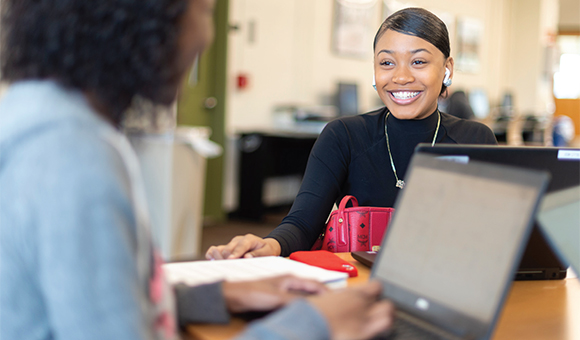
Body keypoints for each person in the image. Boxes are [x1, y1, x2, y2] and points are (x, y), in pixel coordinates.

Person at [0, 0, 393, 339]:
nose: (207, 35)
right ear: (146, 18)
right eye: (204, 10)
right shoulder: (73, 162)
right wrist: (314, 324)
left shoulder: (42, 121)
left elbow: (93, 301)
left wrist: (221, 294)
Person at [207, 7, 498, 260]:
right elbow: (302, 224)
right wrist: (268, 245)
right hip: (357, 290)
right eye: (386, 62)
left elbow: (493, 235)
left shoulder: (476, 139)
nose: (400, 77)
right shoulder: (344, 135)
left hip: (443, 288)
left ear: (447, 69)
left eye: (418, 61)